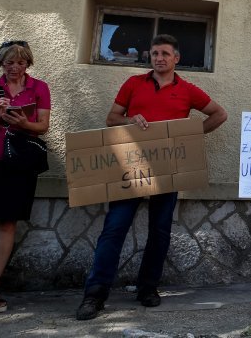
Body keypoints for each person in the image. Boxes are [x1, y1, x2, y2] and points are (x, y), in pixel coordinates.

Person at [76, 34, 227, 320]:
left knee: (159, 231)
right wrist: (129, 120)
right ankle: (94, 293)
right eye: (155, 53)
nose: (159, 58)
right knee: (114, 229)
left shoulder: (188, 90)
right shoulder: (134, 84)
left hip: (168, 169)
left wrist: (189, 136)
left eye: (165, 54)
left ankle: (148, 288)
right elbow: (111, 119)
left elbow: (219, 115)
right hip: (129, 167)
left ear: (176, 58)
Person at [0, 41, 50, 314]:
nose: (14, 67)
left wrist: (23, 124)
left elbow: (42, 126)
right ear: (1, 63)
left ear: (27, 64)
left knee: (8, 224)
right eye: (9, 62)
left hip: (20, 161)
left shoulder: (39, 87)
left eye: (20, 62)